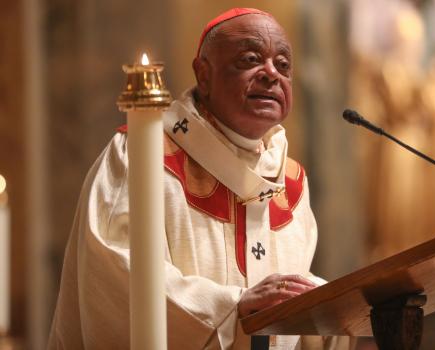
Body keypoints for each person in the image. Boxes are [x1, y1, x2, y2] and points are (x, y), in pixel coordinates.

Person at [48, 8, 346, 349]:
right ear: (203, 74)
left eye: (283, 65)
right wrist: (230, 307)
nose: (271, 74)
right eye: (250, 59)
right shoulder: (143, 155)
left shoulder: (290, 181)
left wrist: (330, 302)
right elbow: (115, 274)